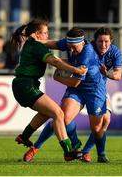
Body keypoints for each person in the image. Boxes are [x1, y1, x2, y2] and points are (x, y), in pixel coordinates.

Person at [19, 27, 109, 163]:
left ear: (81, 43)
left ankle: (96, 153)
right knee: (61, 117)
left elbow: (74, 83)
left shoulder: (87, 54)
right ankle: (39, 147)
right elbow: (55, 44)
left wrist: (58, 78)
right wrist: (38, 41)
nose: (71, 50)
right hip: (78, 90)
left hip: (94, 91)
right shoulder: (70, 43)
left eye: (74, 47)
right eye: (69, 47)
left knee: (96, 128)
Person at [11, 17, 86, 162]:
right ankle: (68, 151)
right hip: (27, 85)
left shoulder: (31, 44)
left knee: (47, 113)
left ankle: (24, 136)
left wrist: (72, 64)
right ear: (37, 34)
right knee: (58, 113)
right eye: (45, 33)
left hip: (23, 85)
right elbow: (54, 61)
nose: (47, 36)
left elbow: (57, 60)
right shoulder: (37, 46)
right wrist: (75, 70)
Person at [80, 27, 122, 162]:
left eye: (106, 42)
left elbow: (118, 75)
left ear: (111, 41)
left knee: (106, 121)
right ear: (94, 41)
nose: (103, 45)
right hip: (81, 88)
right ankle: (36, 147)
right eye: (100, 41)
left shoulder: (115, 52)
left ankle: (86, 152)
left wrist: (106, 73)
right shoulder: (88, 49)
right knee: (62, 117)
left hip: (99, 89)